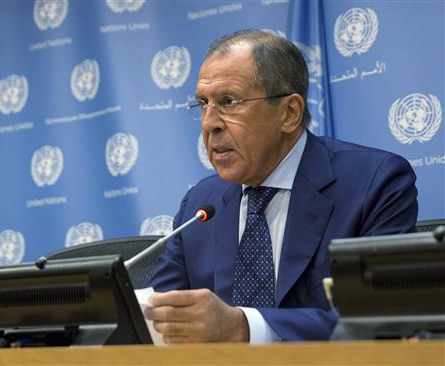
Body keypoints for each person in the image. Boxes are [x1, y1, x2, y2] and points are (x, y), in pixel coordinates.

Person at [145, 29, 418, 344]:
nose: (210, 123)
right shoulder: (201, 202)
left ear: (289, 113)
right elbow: (160, 317)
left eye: (228, 102)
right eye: (203, 104)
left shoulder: (374, 182)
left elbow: (381, 316)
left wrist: (243, 327)